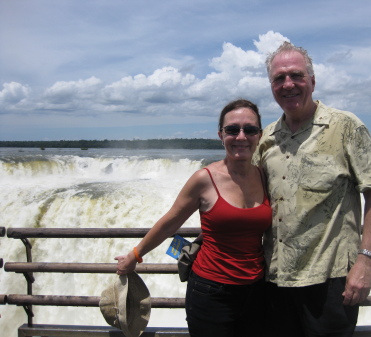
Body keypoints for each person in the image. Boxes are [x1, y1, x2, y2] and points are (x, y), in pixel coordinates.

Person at [254, 42, 371, 336]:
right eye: (279, 78)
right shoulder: (265, 139)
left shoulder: (346, 127)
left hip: (331, 281)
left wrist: (366, 262)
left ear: (312, 81)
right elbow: (247, 197)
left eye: (296, 75)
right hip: (274, 279)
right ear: (271, 86)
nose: (288, 84)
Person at [115, 99, 272, 337]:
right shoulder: (204, 178)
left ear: (259, 135)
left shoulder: (265, 175)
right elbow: (171, 221)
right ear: (221, 135)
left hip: (257, 289)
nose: (241, 136)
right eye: (232, 130)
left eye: (249, 129)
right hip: (210, 291)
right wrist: (135, 255)